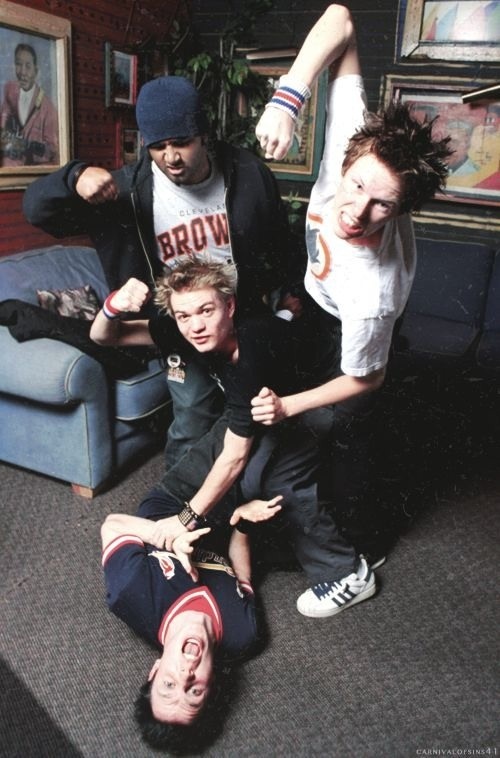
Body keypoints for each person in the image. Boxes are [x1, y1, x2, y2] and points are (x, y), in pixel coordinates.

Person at [252, 4, 452, 561]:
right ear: (351, 158)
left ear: (403, 208)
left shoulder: (373, 293)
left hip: (349, 318)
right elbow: (339, 17)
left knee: (347, 435)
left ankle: (367, 548)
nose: (355, 212)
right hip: (319, 298)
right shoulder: (353, 143)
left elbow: (366, 378)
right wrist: (287, 100)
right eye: (356, 185)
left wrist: (290, 405)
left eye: (381, 204)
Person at [23, 75, 297, 467]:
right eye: (158, 146)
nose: (170, 157)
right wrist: (74, 176)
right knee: (191, 419)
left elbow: (280, 239)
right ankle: (177, 511)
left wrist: (289, 295)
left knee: (258, 415)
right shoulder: (125, 190)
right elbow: (36, 210)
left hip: (245, 316)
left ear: (203, 134)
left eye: (181, 142)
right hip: (181, 328)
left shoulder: (248, 173)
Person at [91, 257, 377, 619]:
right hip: (267, 401)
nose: (195, 326)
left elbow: (236, 455)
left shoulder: (253, 342)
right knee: (221, 451)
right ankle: (354, 537)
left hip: (327, 389)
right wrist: (113, 305)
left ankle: (346, 572)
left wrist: (185, 519)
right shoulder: (183, 328)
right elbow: (104, 336)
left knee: (275, 477)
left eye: (206, 311)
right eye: (184, 316)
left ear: (229, 306)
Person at [102, 487, 282, 752]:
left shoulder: (129, 593)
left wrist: (170, 537)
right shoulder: (244, 636)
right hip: (226, 523)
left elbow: (112, 525)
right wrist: (243, 525)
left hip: (177, 500)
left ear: (155, 670)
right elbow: (240, 574)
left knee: (245, 458)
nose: (186, 674)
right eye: (194, 693)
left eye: (169, 684)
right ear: (212, 687)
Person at [0, 43, 59, 166]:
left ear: (36, 70)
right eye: (18, 64)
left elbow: (54, 153)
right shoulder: (9, 92)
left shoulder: (48, 108)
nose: (22, 72)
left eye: (28, 66)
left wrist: (29, 147)